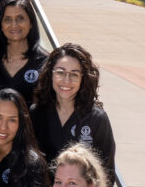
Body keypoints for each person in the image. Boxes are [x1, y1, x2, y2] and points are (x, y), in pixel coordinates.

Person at [30, 43, 116, 178]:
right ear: (50, 74)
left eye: (74, 75)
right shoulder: (36, 113)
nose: (66, 80)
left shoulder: (96, 119)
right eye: (60, 72)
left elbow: (107, 172)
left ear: (83, 78)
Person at [0, 0, 47, 105]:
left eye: (20, 18)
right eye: (7, 19)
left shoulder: (45, 62)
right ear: (1, 25)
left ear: (31, 23)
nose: (14, 25)